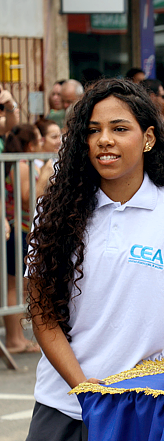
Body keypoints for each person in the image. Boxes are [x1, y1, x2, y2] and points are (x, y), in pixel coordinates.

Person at [24, 78, 164, 440]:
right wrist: (84, 388)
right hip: (64, 405)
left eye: (119, 128)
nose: (104, 140)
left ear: (148, 138)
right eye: (94, 130)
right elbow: (43, 315)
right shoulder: (55, 212)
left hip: (145, 405)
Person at [3, 125, 52, 354]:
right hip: (18, 230)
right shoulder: (22, 166)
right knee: (14, 286)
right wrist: (44, 176)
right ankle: (14, 339)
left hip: (22, 230)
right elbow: (28, 199)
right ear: (30, 145)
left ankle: (17, 338)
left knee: (17, 286)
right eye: (40, 139)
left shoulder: (26, 164)